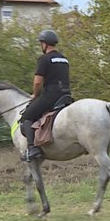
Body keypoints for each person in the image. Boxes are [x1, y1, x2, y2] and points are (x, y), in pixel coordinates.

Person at [20, 29, 71, 161]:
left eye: (41, 43)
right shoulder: (64, 59)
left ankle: (32, 149)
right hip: (66, 95)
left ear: (45, 44)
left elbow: (37, 82)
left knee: (27, 117)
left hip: (51, 95)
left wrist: (35, 95)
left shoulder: (44, 59)